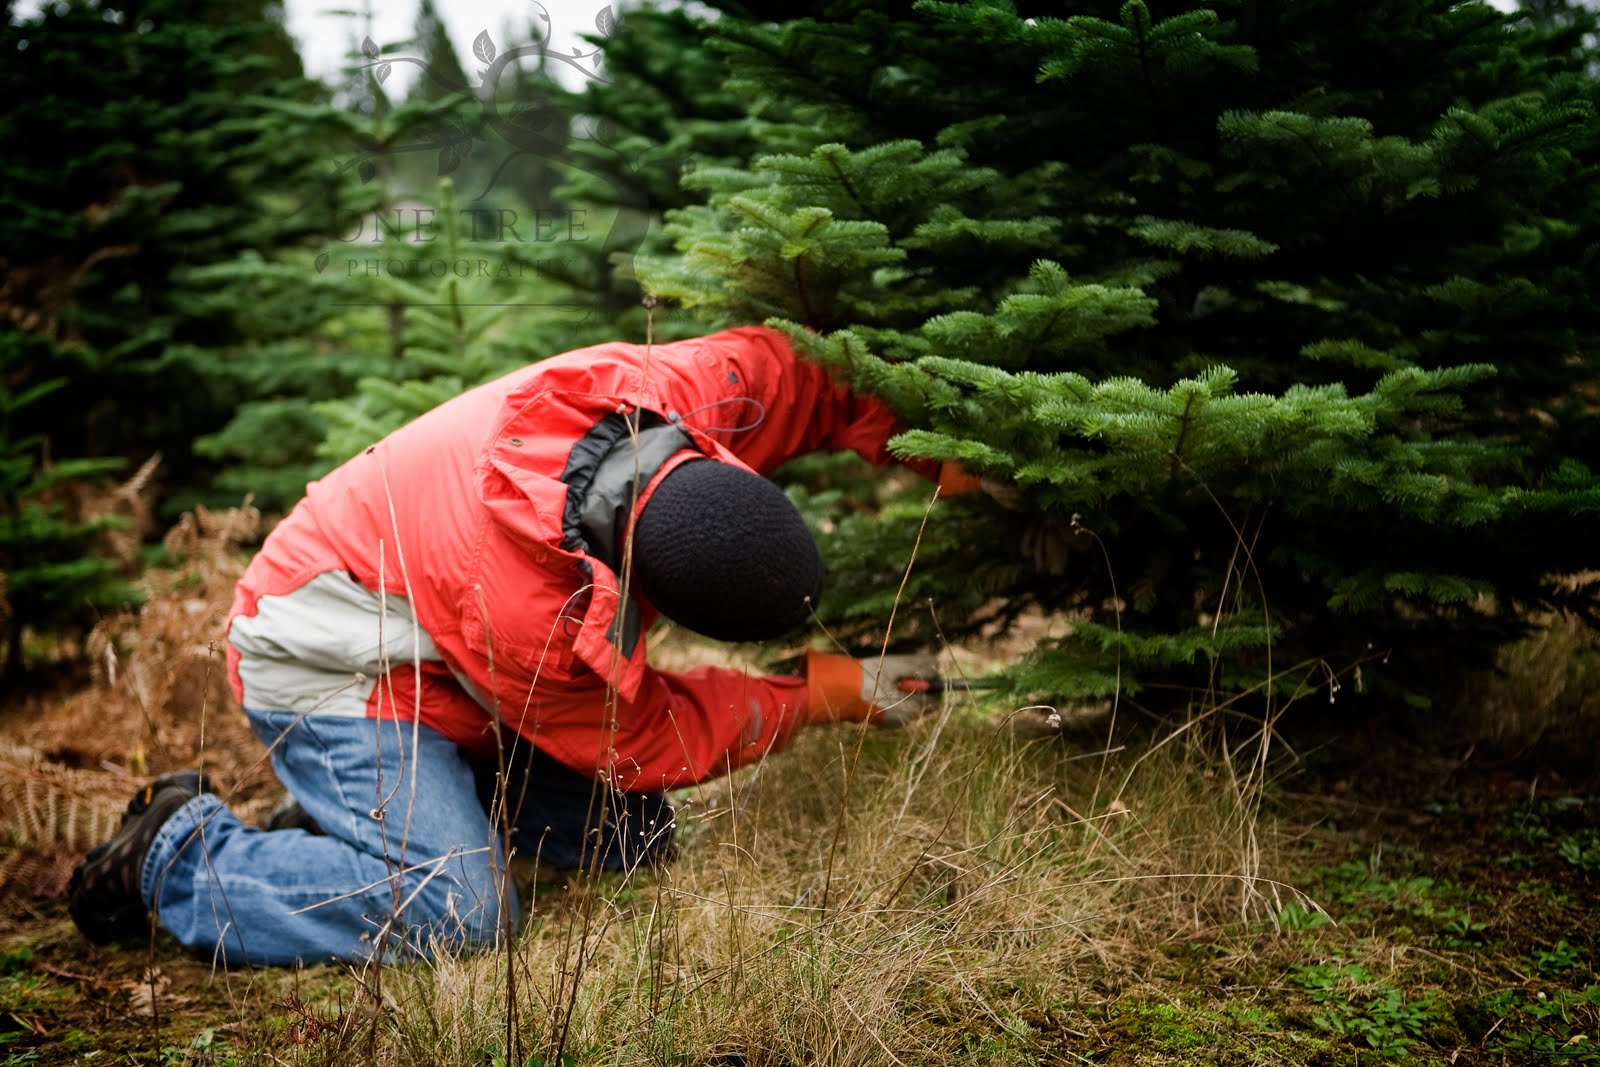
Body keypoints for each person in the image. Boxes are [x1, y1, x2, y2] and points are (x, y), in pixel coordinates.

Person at [67, 325, 953, 966]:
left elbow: (801, 371)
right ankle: (177, 856)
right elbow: (649, 737)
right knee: (462, 912)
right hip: (321, 658)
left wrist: (932, 447)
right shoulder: (536, 620)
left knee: (628, 841)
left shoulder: (674, 392)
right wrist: (818, 696)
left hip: (433, 642)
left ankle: (353, 816)